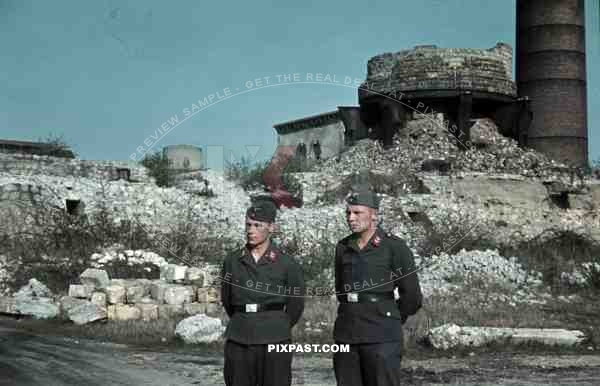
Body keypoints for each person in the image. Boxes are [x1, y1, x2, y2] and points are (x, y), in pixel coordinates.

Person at [333, 190, 423, 386]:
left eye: (357, 213)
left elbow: (412, 296)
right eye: (348, 213)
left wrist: (390, 316)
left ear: (374, 215)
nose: (351, 218)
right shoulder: (342, 247)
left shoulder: (394, 247)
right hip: (347, 333)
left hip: (382, 333)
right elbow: (341, 291)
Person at [220, 200, 305, 386]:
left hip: (275, 337)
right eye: (248, 225)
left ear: (271, 228)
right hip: (239, 337)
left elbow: (296, 305)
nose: (251, 230)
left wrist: (278, 324)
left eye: (257, 225)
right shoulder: (233, 261)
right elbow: (226, 299)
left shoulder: (287, 264)